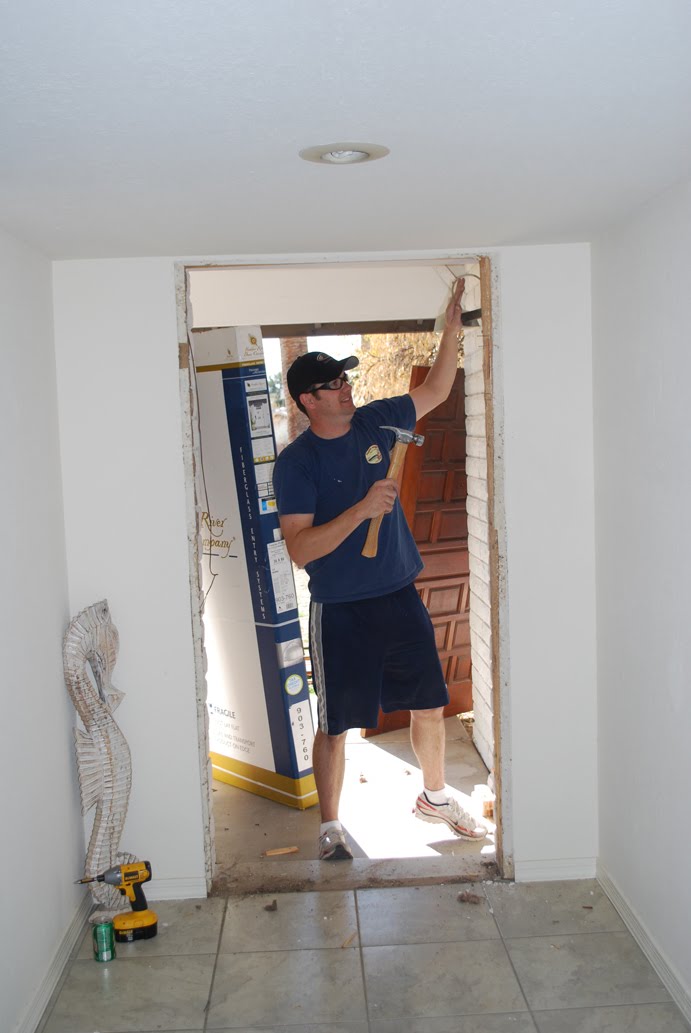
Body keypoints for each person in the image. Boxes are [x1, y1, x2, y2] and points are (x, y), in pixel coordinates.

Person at [272, 278, 487, 860]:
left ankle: (435, 798)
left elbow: (437, 388)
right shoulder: (297, 465)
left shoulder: (377, 421)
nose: (346, 388)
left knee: (429, 702)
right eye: (333, 385)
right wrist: (362, 510)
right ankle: (331, 827)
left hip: (398, 594)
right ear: (309, 401)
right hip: (341, 609)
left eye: (345, 379)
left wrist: (451, 331)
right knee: (336, 722)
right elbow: (300, 549)